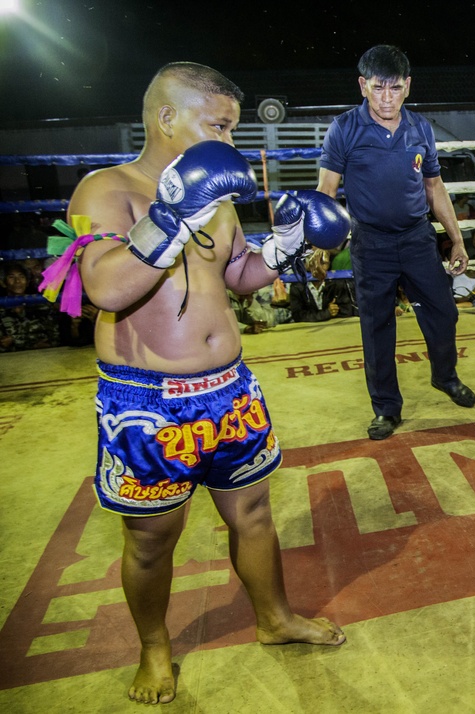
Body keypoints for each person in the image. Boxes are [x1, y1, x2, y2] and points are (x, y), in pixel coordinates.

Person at [60, 62, 347, 704]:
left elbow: (239, 273)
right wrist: (170, 215)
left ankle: (274, 620)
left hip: (230, 390)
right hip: (147, 404)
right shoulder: (105, 192)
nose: (231, 141)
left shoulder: (216, 201)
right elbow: (104, 286)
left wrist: (289, 242)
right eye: (218, 125)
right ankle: (155, 648)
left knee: (253, 513)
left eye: (232, 129)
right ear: (167, 118)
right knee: (151, 537)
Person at [316, 45, 475, 441]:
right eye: (378, 88)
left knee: (443, 312)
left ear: (407, 86)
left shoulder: (420, 128)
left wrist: (456, 240)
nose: (387, 98)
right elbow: (326, 189)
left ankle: (445, 376)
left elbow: (434, 186)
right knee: (377, 327)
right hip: (371, 242)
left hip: (418, 236)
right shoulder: (344, 128)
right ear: (363, 86)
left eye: (395, 88)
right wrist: (320, 243)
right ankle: (387, 408)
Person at [288, 248, 357, 323]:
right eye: (314, 262)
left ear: (329, 263)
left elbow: (346, 311)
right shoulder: (297, 286)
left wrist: (334, 311)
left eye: (323, 263)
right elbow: (298, 316)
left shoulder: (337, 283)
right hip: (308, 330)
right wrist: (326, 313)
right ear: (306, 264)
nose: (318, 267)